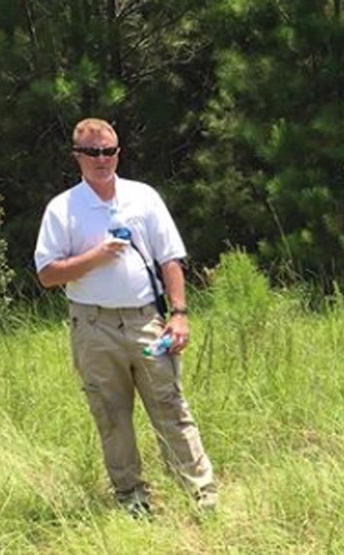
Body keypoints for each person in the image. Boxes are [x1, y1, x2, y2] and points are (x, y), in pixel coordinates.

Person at [34, 117, 217, 516]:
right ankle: (132, 497)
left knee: (170, 404)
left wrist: (180, 314)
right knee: (112, 414)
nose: (103, 159)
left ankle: (201, 494)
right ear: (77, 156)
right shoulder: (63, 208)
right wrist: (94, 258)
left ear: (119, 152)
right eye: (93, 152)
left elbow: (170, 258)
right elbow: (47, 274)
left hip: (146, 322)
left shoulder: (144, 197)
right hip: (94, 326)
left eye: (110, 151)